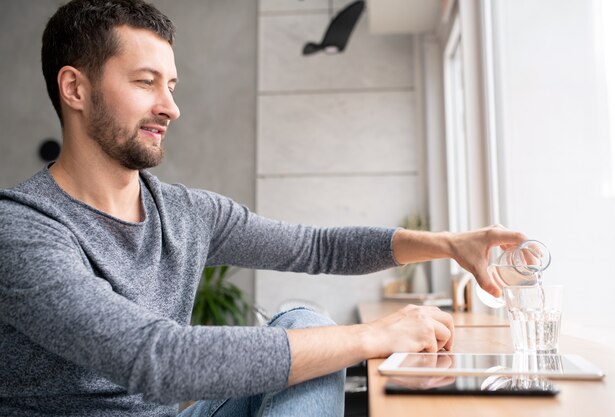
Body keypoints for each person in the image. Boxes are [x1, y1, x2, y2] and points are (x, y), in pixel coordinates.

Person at [0, 1, 526, 416]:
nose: (171, 106)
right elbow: (154, 359)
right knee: (328, 341)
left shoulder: (184, 213)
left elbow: (319, 247)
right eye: (145, 82)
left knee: (308, 324)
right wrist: (374, 336)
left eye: (171, 85)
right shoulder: (22, 228)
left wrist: (450, 245)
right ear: (75, 88)